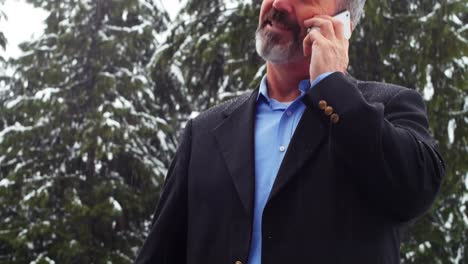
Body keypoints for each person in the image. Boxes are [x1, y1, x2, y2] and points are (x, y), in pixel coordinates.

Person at [135, 0, 445, 263]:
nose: (278, 5)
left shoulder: (387, 107)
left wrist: (332, 88)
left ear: (343, 24)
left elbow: (413, 192)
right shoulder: (204, 132)